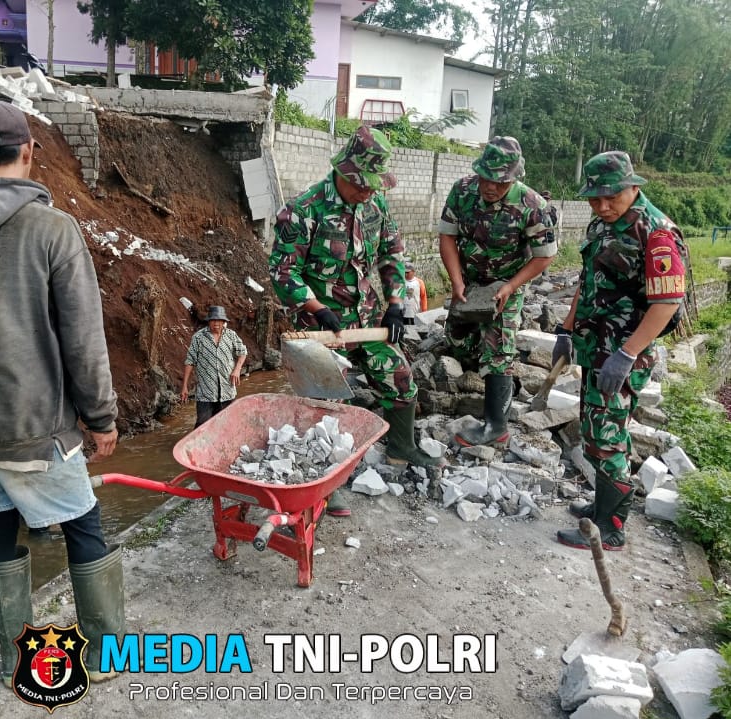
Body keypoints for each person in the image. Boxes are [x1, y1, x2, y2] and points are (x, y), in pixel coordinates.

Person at [0, 100, 123, 687]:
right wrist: (101, 417)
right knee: (83, 524)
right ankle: (103, 656)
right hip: (34, 424)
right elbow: (83, 339)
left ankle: (16, 657)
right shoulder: (53, 230)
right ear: (29, 153)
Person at [270, 125, 442, 518]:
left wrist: (395, 303)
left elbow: (392, 254)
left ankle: (402, 447)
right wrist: (317, 307)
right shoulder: (305, 209)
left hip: (367, 318)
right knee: (326, 404)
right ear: (344, 172)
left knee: (400, 379)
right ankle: (327, 481)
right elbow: (283, 272)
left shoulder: (375, 205)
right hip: (321, 326)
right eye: (362, 185)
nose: (367, 192)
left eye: (373, 186)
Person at [555, 151, 686, 551]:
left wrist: (627, 354)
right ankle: (602, 504)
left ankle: (610, 528)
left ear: (632, 187)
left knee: (607, 435)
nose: (602, 206)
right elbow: (589, 278)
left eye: (610, 197)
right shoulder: (602, 223)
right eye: (594, 199)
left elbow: (667, 304)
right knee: (595, 428)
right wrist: (566, 328)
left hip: (624, 352)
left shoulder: (656, 234)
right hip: (595, 345)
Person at [438, 136, 557, 447]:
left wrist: (511, 286)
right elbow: (448, 236)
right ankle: (478, 373)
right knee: (457, 337)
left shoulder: (533, 206)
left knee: (499, 346)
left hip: (507, 282)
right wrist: (456, 281)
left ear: (514, 177)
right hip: (469, 281)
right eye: (486, 179)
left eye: (500, 182)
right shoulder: (463, 191)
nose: (490, 187)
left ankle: (496, 425)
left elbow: (545, 255)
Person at [181, 305, 248, 428]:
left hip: (227, 390)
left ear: (223, 322)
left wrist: (237, 369)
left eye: (219, 320)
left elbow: (242, 352)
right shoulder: (198, 337)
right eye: (213, 320)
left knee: (227, 425)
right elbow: (190, 361)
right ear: (209, 321)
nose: (216, 323)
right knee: (202, 426)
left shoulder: (231, 335)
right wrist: (184, 386)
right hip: (206, 393)